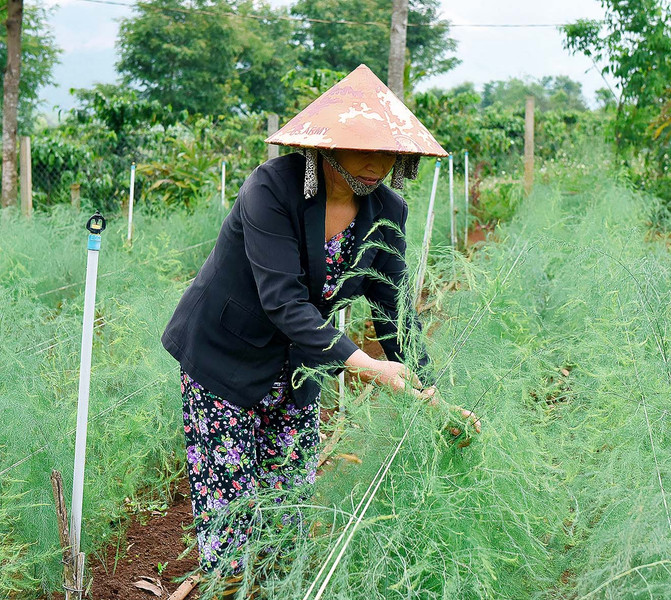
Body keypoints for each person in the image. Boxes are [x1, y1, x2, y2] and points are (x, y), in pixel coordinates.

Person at [161, 65, 480, 580]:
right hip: (226, 356)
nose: (377, 165)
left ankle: (278, 586)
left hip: (300, 368)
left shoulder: (386, 210)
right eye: (363, 150)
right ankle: (230, 586)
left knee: (288, 503)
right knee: (231, 504)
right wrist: (365, 366)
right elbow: (283, 301)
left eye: (388, 153)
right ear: (324, 147)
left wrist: (433, 395)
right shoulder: (271, 188)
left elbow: (392, 310)